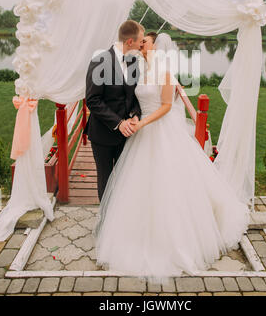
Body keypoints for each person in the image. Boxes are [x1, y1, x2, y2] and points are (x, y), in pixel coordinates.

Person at [93, 33, 250, 284]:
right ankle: (134, 234)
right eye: (141, 40)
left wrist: (142, 121)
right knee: (138, 185)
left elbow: (166, 105)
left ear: (157, 46)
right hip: (141, 133)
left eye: (145, 41)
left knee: (167, 183)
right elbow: (134, 99)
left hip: (160, 131)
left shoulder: (164, 70)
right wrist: (134, 116)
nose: (141, 43)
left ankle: (173, 240)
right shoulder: (140, 68)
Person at [84, 20, 144, 201]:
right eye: (140, 41)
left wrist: (134, 115)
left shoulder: (133, 62)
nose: (142, 46)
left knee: (125, 180)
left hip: (127, 135)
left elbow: (134, 96)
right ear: (129, 42)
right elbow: (92, 100)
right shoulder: (99, 61)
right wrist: (118, 123)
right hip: (103, 134)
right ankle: (104, 222)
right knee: (106, 180)